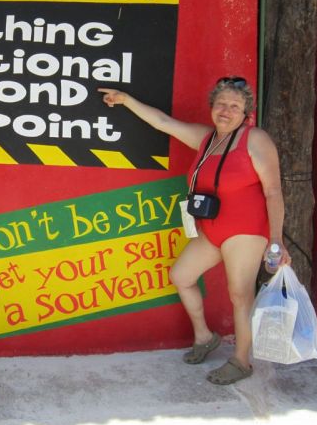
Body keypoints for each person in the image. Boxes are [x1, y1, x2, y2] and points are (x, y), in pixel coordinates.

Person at [98, 77, 290, 385]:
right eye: (221, 104)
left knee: (240, 294)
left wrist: (276, 240)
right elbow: (163, 122)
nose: (226, 111)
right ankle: (204, 337)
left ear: (246, 113)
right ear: (212, 107)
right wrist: (126, 100)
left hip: (246, 230)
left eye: (235, 106)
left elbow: (273, 191)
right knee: (182, 276)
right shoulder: (206, 138)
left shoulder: (255, 140)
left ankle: (241, 361)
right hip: (212, 228)